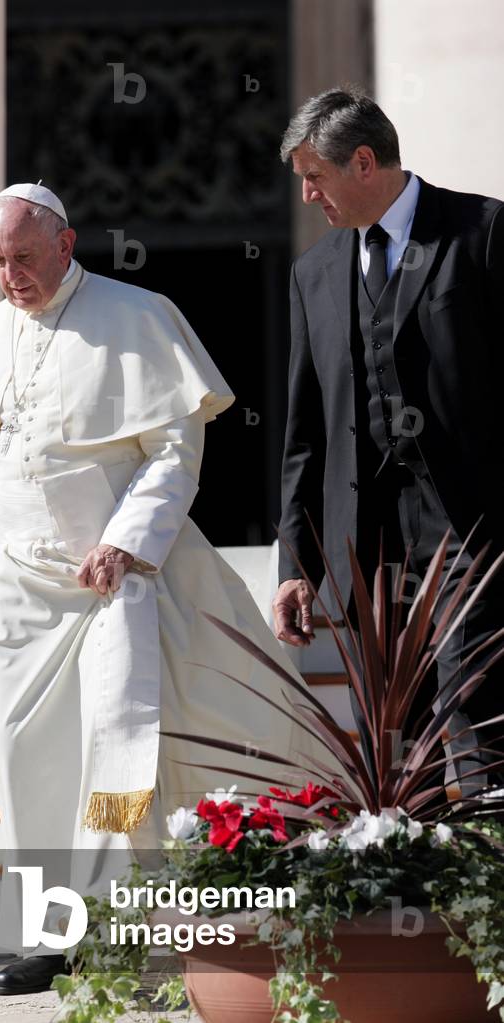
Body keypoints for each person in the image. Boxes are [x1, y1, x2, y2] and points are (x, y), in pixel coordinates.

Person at [0, 182, 326, 995]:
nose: (11, 275)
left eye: (25, 257)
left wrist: (127, 541)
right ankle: (53, 941)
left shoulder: (138, 314)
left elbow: (176, 451)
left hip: (118, 588)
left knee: (117, 753)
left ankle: (147, 930)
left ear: (65, 245)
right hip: (18, 601)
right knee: (31, 768)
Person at [273, 86, 504, 797]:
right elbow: (303, 429)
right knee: (394, 739)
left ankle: (487, 879)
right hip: (366, 545)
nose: (309, 196)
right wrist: (294, 562)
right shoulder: (312, 274)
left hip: (473, 529)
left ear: (364, 162)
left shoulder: (484, 231)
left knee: (469, 708)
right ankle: (425, 892)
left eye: (316, 177)